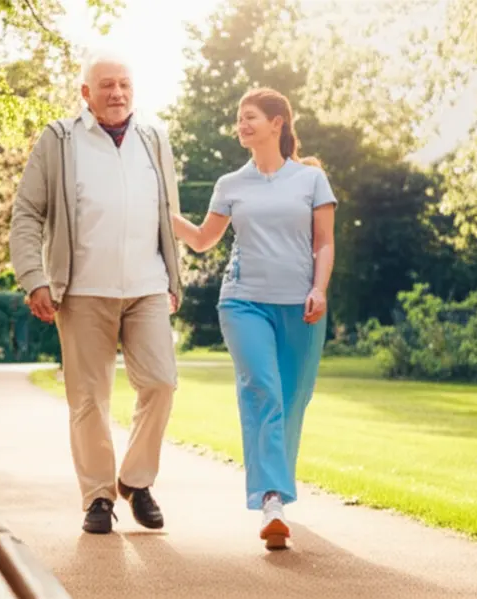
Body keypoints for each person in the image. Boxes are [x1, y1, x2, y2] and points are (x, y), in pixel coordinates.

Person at [8, 48, 183, 534]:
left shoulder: (154, 139)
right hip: (82, 290)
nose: (116, 93)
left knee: (162, 383)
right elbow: (26, 214)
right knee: (88, 398)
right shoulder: (60, 140)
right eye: (105, 84)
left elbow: (165, 212)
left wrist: (173, 277)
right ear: (85, 92)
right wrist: (34, 277)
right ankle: (99, 497)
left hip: (147, 286)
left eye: (124, 84)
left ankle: (136, 479)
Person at [171, 87, 337, 550]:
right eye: (239, 118)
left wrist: (319, 287)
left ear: (277, 123)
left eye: (250, 117)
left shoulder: (310, 180)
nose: (241, 125)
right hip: (243, 302)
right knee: (263, 390)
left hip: (301, 307)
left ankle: (275, 493)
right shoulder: (230, 184)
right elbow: (204, 240)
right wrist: (163, 217)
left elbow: (323, 242)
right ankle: (271, 500)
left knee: (294, 399)